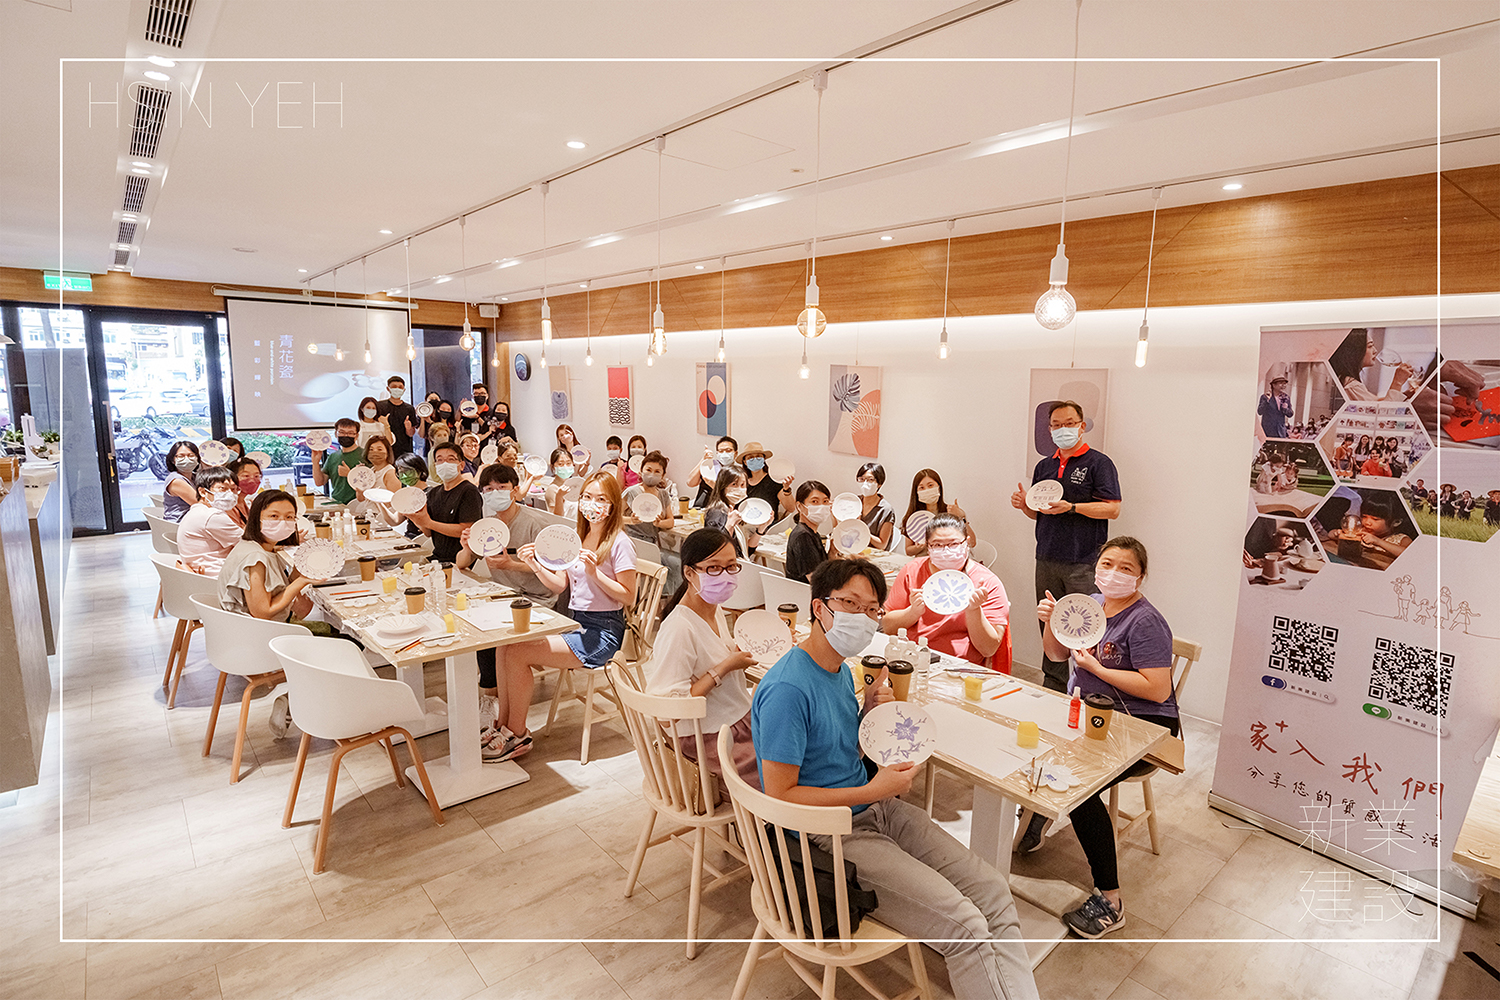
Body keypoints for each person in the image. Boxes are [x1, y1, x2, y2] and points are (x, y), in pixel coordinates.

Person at [751, 558, 1039, 1000]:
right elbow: (780, 795)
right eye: (850, 603)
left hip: (877, 811)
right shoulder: (789, 689)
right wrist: (872, 789)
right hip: (829, 835)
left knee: (994, 891)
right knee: (965, 926)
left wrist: (867, 713)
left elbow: (832, 753)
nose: (862, 617)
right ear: (819, 607)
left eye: (872, 610)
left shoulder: (837, 669)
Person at [1026, 537, 1178, 941]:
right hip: (1090, 716)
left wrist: (1098, 669)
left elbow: (1158, 689)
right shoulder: (1090, 605)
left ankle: (1111, 899)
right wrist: (1052, 621)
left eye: (1126, 568)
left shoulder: (1145, 621)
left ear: (1141, 577)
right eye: (1107, 564)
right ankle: (1039, 810)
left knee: (1078, 786)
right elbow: (1056, 656)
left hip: (1143, 725)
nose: (1114, 573)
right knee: (1027, 745)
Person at [490, 472, 638, 762]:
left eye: (601, 499)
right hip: (576, 623)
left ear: (613, 504)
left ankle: (517, 734)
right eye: (587, 497)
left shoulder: (620, 543)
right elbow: (559, 585)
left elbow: (629, 596)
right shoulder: (578, 537)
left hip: (604, 632)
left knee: (518, 653)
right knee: (504, 645)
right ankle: (503, 726)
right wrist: (534, 564)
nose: (592, 504)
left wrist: (595, 574)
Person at [1008, 401, 1122, 692]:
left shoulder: (1099, 463)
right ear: (1049, 430)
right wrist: (1024, 506)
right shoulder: (1044, 466)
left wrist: (1072, 506)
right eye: (1057, 425)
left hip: (1083, 560)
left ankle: (1089, 685)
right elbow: (1039, 513)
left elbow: (1112, 509)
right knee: (1050, 623)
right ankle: (1053, 685)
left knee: (1085, 627)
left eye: (1069, 423)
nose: (1063, 430)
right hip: (1046, 556)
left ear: (1082, 426)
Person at [646, 527, 762, 790]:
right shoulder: (679, 628)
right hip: (707, 738)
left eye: (731, 566)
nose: (725, 575)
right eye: (714, 568)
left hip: (735, 721)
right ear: (689, 572)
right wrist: (724, 668)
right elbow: (667, 714)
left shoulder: (713, 610)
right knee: (786, 773)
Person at [459, 463, 562, 731]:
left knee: (490, 636)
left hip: (536, 599)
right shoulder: (487, 526)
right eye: (488, 489)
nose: (495, 493)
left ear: (515, 490)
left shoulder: (534, 524)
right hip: (503, 596)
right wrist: (466, 547)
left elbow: (553, 570)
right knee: (474, 626)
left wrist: (511, 565)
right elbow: (462, 563)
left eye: (502, 487)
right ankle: (490, 699)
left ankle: (494, 703)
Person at [883, 513, 1011, 672]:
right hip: (911, 660)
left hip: (960, 669)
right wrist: (912, 612)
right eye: (937, 545)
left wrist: (974, 610)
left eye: (954, 543)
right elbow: (888, 627)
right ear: (928, 546)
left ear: (967, 543)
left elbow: (988, 649)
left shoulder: (987, 583)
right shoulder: (912, 571)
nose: (946, 550)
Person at [216, 490, 314, 623]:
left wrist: (297, 574)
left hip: (263, 626)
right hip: (255, 630)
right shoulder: (255, 557)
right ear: (257, 518)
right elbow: (262, 613)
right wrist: (302, 581)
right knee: (335, 632)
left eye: (289, 517)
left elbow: (276, 592)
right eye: (274, 516)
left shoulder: (261, 547)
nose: (282, 522)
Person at [405, 441, 483, 564]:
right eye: (439, 460)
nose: (444, 463)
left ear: (461, 465)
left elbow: (466, 530)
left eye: (451, 459)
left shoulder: (469, 491)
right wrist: (417, 519)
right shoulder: (433, 493)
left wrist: (429, 523)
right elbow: (428, 533)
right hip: (437, 558)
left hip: (461, 561)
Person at [176, 466, 245, 576]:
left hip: (200, 574)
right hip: (218, 575)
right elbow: (248, 542)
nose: (230, 494)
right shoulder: (212, 516)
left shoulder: (197, 511)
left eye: (233, 489)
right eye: (223, 489)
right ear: (203, 492)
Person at [1328, 328, 1416, 402]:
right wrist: (1397, 382)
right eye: (1370, 346)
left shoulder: (1349, 381)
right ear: (1354, 352)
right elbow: (1382, 412)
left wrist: (1401, 395)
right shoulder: (1352, 385)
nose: (1375, 351)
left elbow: (1374, 402)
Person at [903, 468, 975, 556]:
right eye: (921, 487)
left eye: (930, 485)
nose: (926, 490)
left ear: (939, 488)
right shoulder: (915, 518)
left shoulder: (950, 512)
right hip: (923, 561)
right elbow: (908, 551)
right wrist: (920, 547)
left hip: (949, 560)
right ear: (916, 492)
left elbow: (972, 543)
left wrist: (960, 517)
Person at [623, 450, 677, 547]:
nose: (652, 474)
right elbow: (614, 517)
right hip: (632, 541)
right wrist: (630, 520)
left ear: (663, 475)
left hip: (652, 543)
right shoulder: (631, 492)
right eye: (648, 470)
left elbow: (670, 521)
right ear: (641, 470)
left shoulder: (663, 495)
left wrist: (659, 523)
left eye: (657, 472)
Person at [785, 480, 834, 584]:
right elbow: (817, 582)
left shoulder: (812, 533)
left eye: (825, 501)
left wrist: (832, 552)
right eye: (814, 502)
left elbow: (823, 569)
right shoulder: (803, 536)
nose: (821, 506)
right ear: (799, 506)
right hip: (804, 592)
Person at [311, 418, 363, 504]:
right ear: (336, 434)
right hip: (336, 503)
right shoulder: (333, 456)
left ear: (356, 436)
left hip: (358, 504)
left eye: (350, 433)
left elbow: (370, 484)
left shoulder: (365, 455)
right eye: (342, 432)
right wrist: (315, 462)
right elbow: (320, 482)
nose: (346, 435)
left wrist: (349, 474)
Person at [738, 441, 795, 515]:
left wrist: (786, 489)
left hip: (770, 521)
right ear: (745, 462)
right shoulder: (741, 483)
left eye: (758, 456)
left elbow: (791, 508)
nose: (755, 459)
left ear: (764, 459)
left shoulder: (773, 480)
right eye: (750, 457)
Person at [855, 462, 897, 550]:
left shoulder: (886, 510)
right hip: (852, 550)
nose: (865, 483)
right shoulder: (854, 502)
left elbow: (882, 545)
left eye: (870, 479)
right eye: (861, 479)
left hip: (873, 555)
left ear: (879, 483)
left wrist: (861, 528)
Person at [687, 435, 738, 507]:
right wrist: (704, 460)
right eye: (721, 451)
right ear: (717, 453)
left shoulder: (738, 472)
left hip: (723, 509)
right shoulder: (709, 466)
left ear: (735, 453)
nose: (724, 453)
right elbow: (690, 483)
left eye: (728, 450)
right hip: (701, 508)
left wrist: (715, 486)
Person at [375, 375, 418, 457]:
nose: (397, 389)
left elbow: (411, 434)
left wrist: (408, 428)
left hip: (404, 449)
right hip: (385, 448)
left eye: (400, 387)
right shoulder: (380, 406)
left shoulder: (409, 408)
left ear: (404, 390)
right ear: (388, 389)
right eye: (394, 387)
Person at [161, 440, 202, 522]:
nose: (186, 459)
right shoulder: (175, 480)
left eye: (191, 455)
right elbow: (200, 504)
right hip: (180, 523)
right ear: (173, 460)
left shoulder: (194, 476)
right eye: (181, 456)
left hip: (193, 519)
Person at [227, 455, 262, 527]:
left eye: (256, 476)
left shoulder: (249, 504)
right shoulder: (227, 507)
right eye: (246, 476)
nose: (252, 480)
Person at [1258, 369, 1293, 439]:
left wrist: (1285, 409)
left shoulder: (1286, 398)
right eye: (1281, 383)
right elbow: (1260, 411)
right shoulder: (1265, 396)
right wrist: (1267, 401)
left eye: (1284, 384)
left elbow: (1290, 414)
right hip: (1268, 431)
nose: (1283, 386)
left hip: (1281, 432)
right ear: (1274, 385)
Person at [543, 446, 577, 517]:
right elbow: (556, 517)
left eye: (568, 463)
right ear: (553, 467)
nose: (565, 467)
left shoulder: (576, 484)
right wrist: (559, 496)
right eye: (560, 464)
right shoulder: (552, 489)